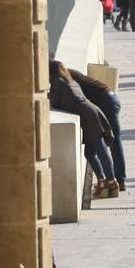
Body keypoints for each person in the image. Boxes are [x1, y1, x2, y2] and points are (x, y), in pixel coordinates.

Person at [48, 60, 118, 199]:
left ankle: (111, 183)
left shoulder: (57, 82)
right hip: (91, 111)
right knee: (90, 153)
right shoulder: (69, 79)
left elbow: (55, 102)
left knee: (100, 148)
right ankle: (103, 183)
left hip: (88, 116)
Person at [65, 66, 127, 192]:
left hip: (106, 102)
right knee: (95, 149)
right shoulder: (71, 73)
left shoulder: (68, 79)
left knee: (113, 142)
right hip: (110, 99)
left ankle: (118, 181)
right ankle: (110, 181)